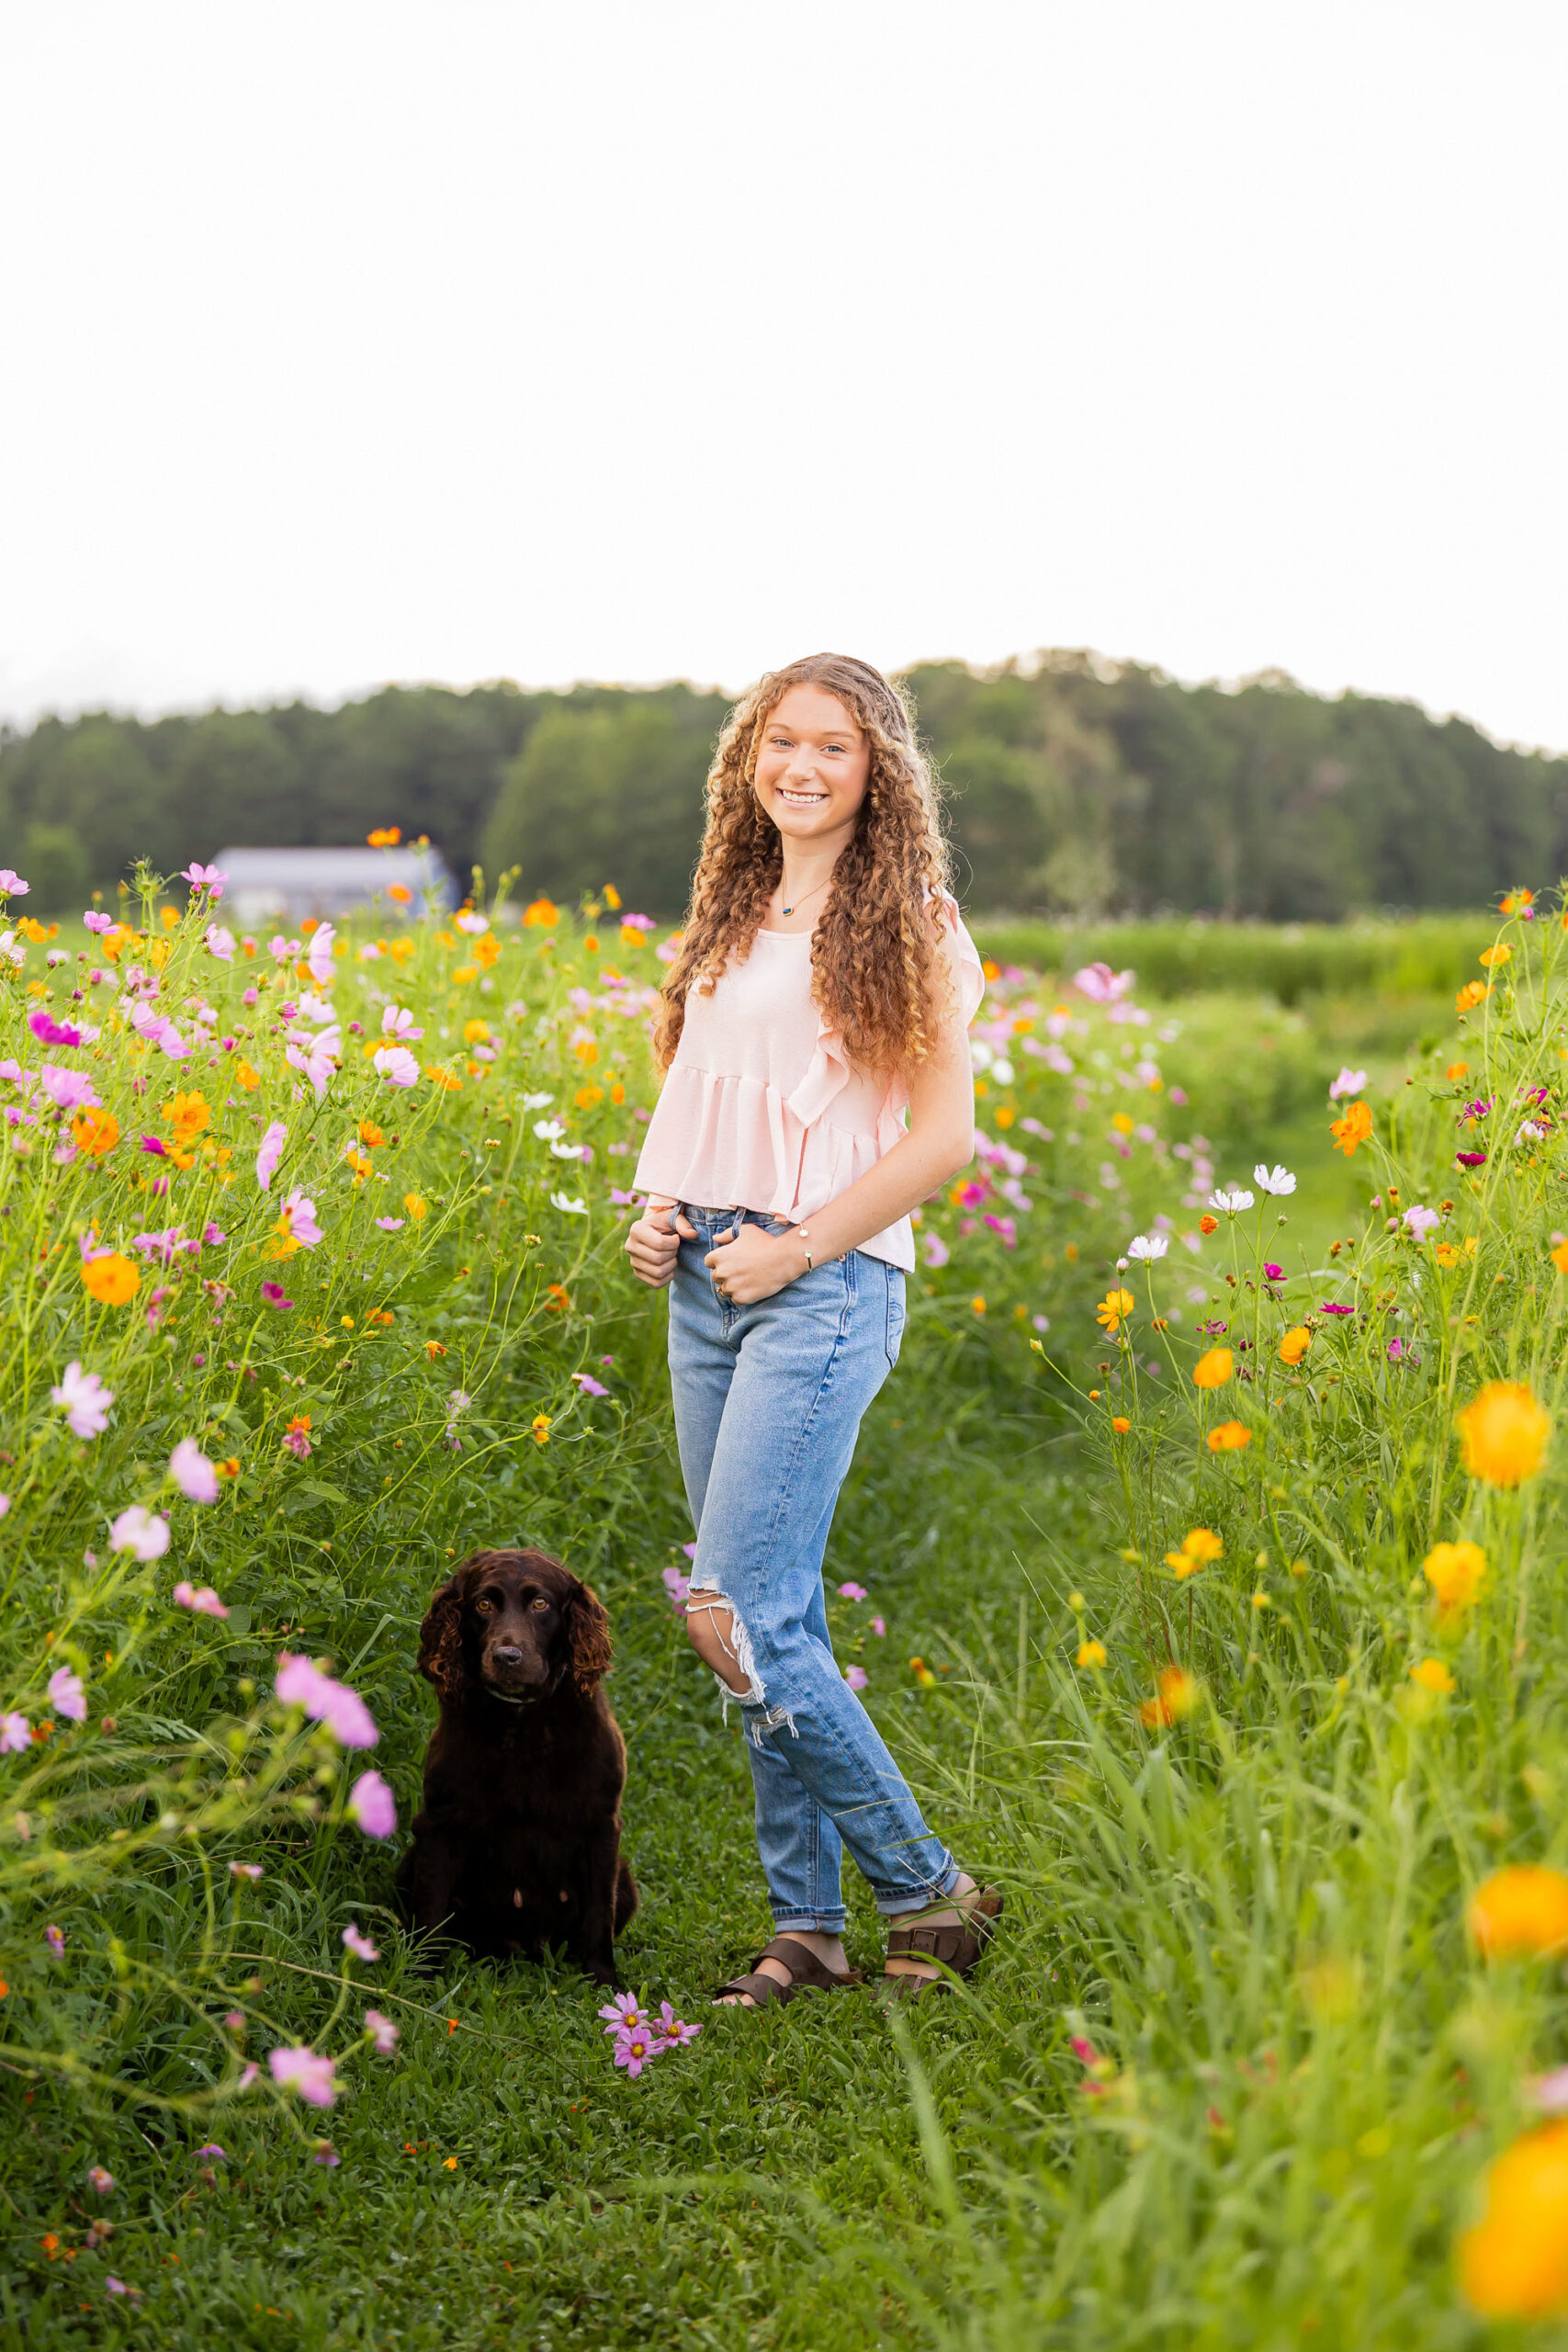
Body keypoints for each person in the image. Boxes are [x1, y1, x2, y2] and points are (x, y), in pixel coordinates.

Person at [625, 652, 1000, 2007]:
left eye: (833, 748)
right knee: (756, 1614)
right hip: (707, 1273)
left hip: (825, 1283)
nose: (801, 767)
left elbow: (945, 1138)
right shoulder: (732, 913)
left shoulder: (911, 916)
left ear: (876, 771)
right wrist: (663, 1213)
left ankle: (926, 1887)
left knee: (736, 1612)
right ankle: (811, 1931)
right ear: (749, 759)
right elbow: (710, 1095)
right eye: (781, 741)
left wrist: (799, 1244)